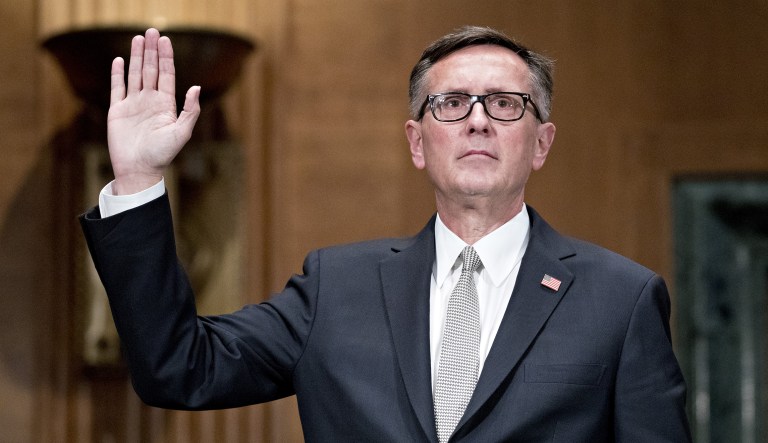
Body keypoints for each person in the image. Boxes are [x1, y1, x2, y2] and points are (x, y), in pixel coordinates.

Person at [80, 26, 692, 442]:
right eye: (451, 103)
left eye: (506, 104)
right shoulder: (336, 288)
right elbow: (178, 368)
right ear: (417, 142)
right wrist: (137, 178)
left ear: (542, 142)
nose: (478, 120)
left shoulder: (621, 299)